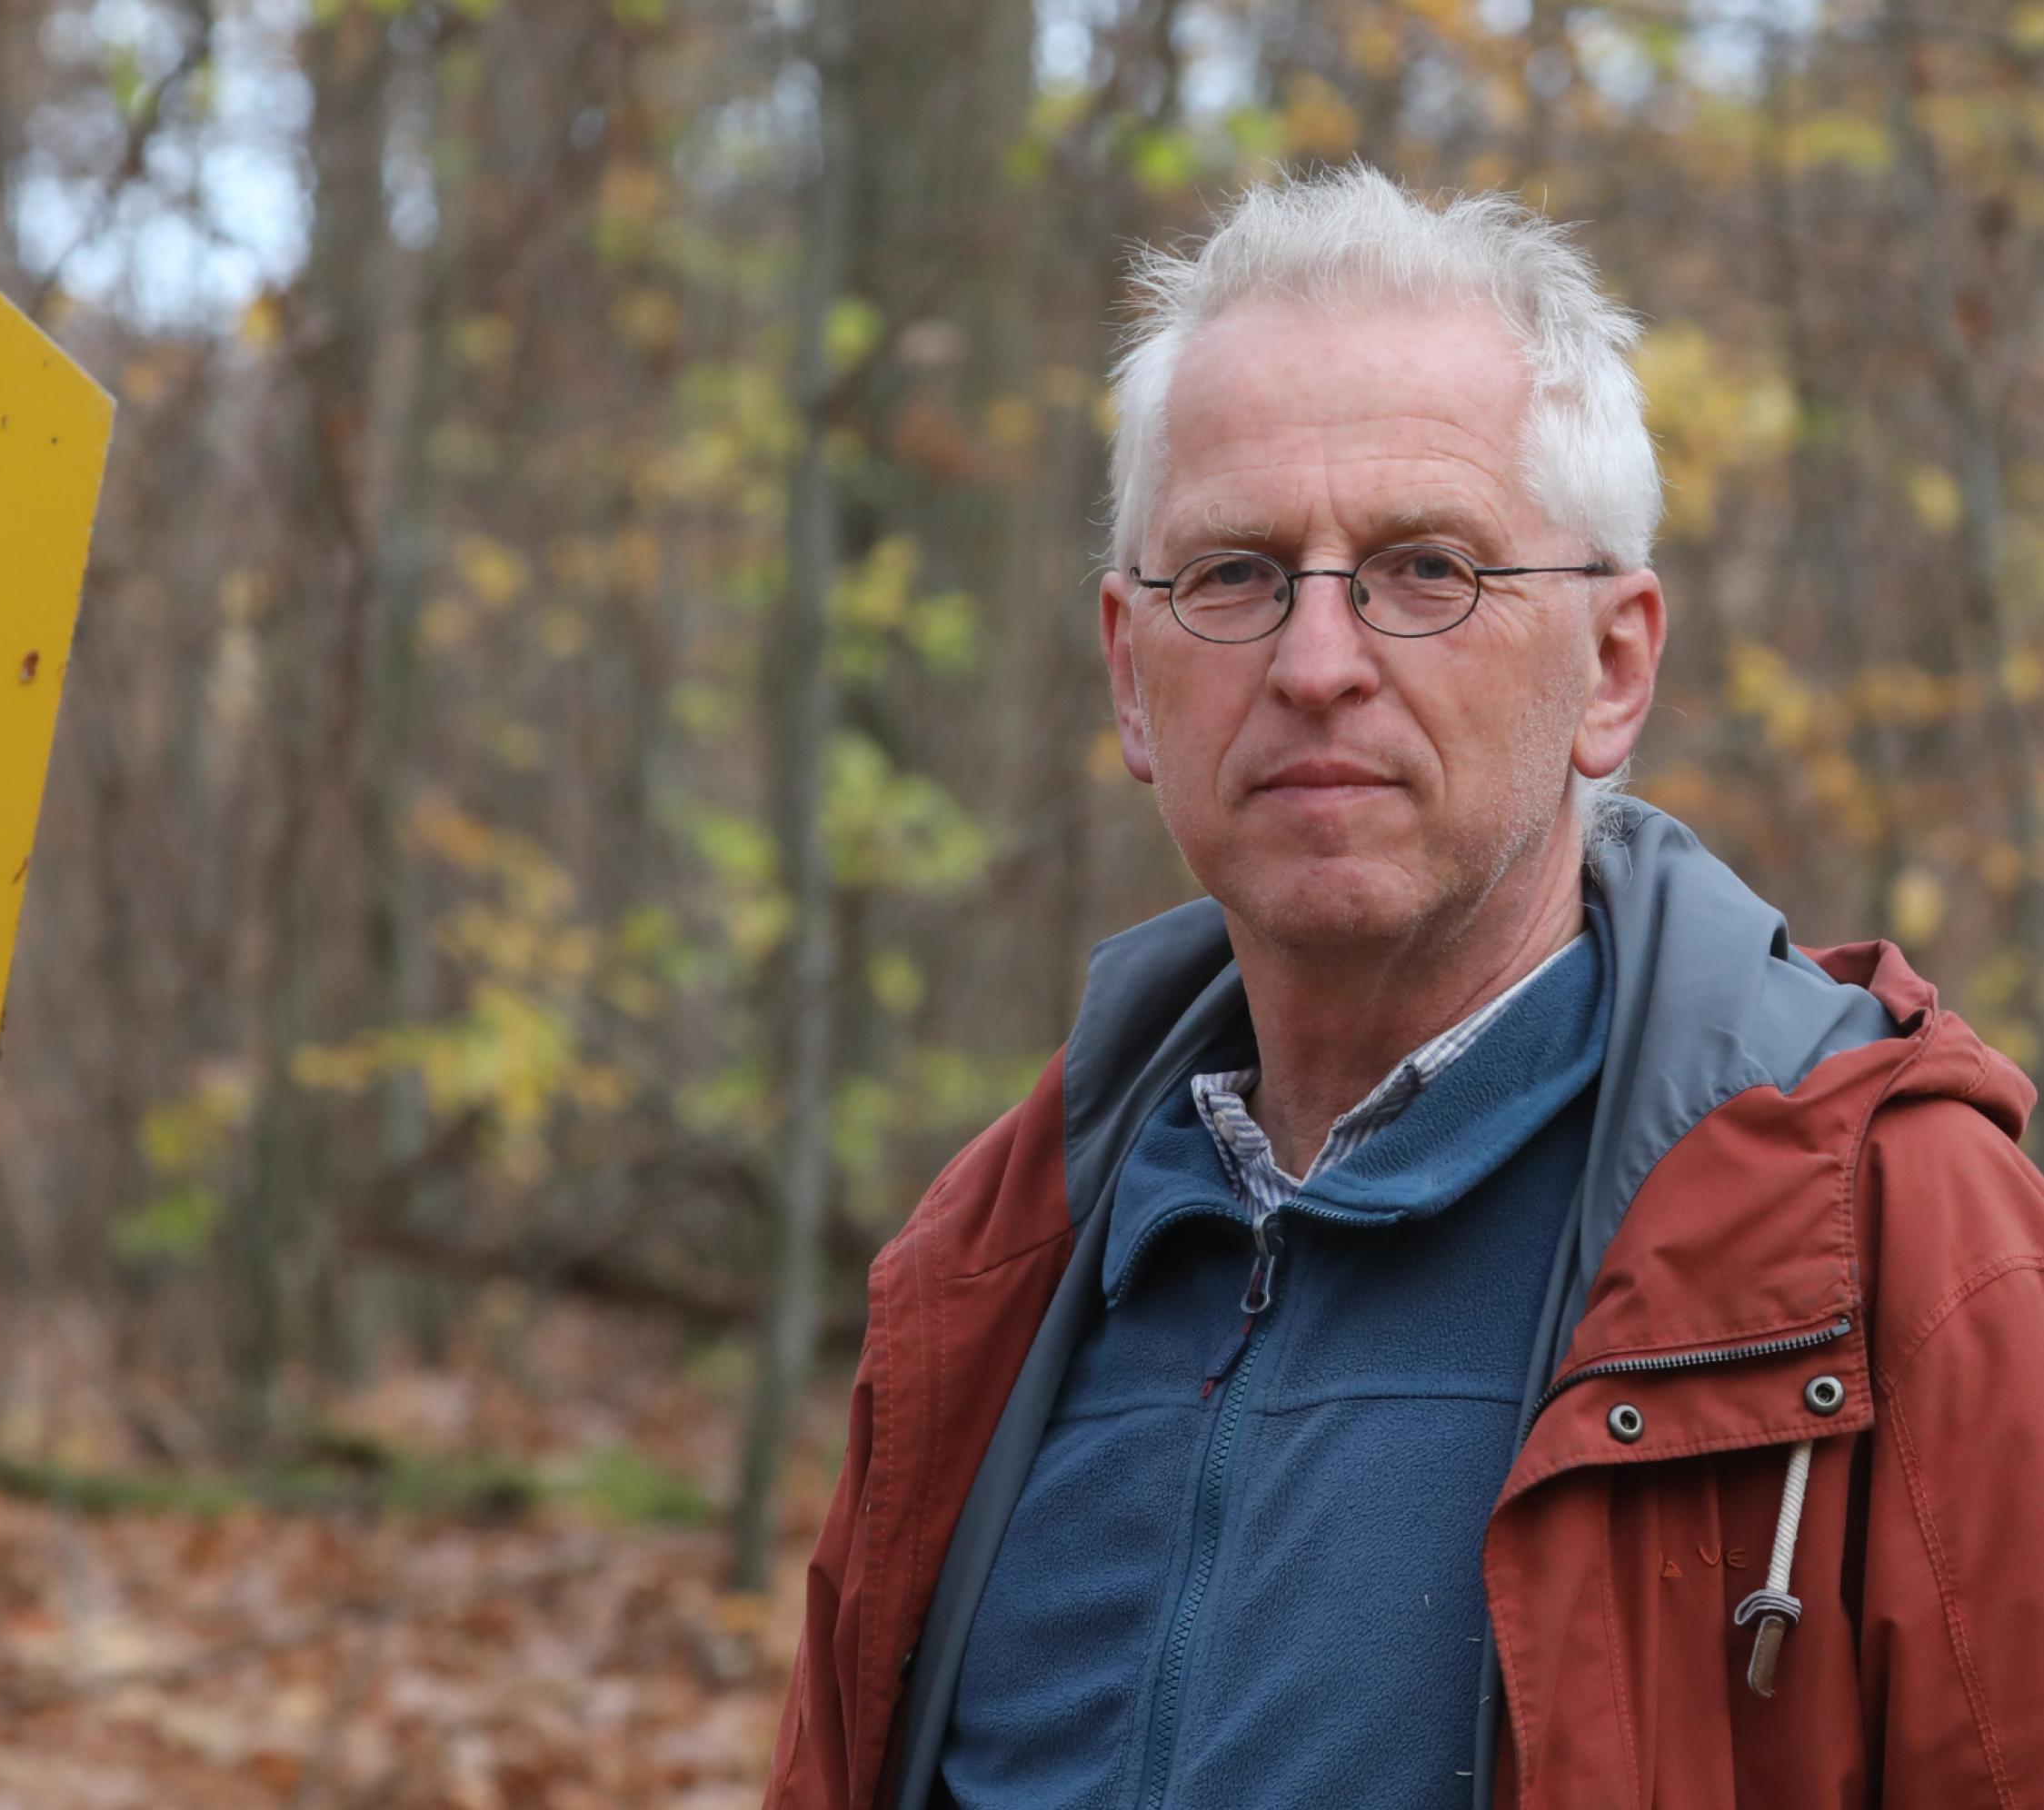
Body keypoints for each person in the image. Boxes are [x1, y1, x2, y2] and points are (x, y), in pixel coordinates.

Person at [760, 164, 2044, 1810]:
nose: (1314, 663)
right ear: (1127, 678)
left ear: (1614, 665)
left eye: (1425, 568)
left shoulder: (1895, 1250)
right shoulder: (990, 1265)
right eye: (1229, 575)